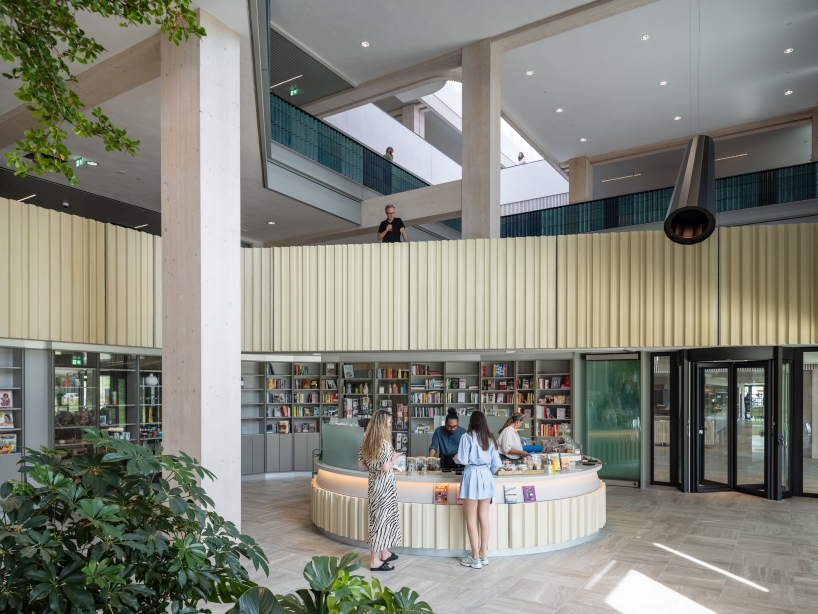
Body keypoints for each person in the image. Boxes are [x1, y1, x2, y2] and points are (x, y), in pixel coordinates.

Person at [454, 410, 502, 569]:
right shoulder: (490, 439)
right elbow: (497, 464)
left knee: (470, 519)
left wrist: (455, 458)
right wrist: (487, 472)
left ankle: (474, 558)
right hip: (486, 476)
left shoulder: (466, 437)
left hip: (472, 475)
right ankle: (483, 554)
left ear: (471, 422)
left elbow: (461, 459)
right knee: (484, 519)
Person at [357, 409, 402, 571]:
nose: (390, 425)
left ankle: (385, 553)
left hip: (374, 485)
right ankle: (375, 561)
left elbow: (361, 464)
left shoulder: (367, 440)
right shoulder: (383, 442)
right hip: (384, 487)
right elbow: (385, 467)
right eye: (389, 423)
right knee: (380, 522)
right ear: (383, 424)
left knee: (379, 519)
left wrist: (375, 468)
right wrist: (395, 457)